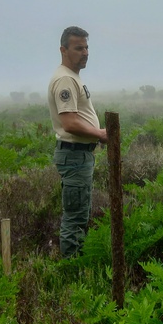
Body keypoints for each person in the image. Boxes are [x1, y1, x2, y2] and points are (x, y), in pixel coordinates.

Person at [48, 26, 108, 258]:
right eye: (78, 48)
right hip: (74, 156)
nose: (85, 53)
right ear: (63, 50)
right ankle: (71, 271)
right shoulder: (65, 79)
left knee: (81, 213)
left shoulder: (72, 77)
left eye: (86, 47)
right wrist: (100, 134)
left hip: (79, 155)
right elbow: (70, 123)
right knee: (75, 218)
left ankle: (76, 263)